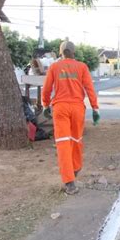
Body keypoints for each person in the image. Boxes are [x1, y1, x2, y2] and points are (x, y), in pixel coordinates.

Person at [42, 41, 100, 195]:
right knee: (76, 140)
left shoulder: (54, 67)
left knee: (63, 144)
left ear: (61, 53)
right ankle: (75, 168)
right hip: (77, 109)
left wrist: (45, 105)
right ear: (74, 52)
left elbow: (47, 88)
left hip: (60, 108)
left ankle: (69, 183)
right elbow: (89, 88)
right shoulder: (82, 67)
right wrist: (95, 108)